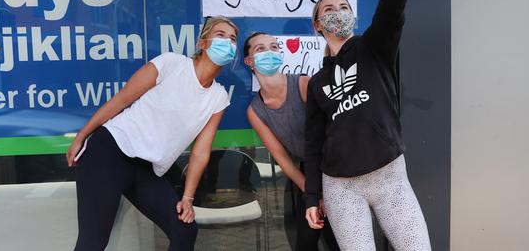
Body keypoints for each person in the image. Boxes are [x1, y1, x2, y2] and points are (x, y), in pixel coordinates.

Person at [303, 0, 432, 250]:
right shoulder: (316, 82)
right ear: (317, 25)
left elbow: (393, 6)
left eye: (343, 7)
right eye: (328, 10)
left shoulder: (374, 47)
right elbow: (313, 143)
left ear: (354, 15)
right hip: (340, 187)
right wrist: (311, 197)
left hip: (389, 177)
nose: (337, 12)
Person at [66, 16, 239, 251]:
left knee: (184, 230)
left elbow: (200, 152)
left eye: (232, 39)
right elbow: (121, 99)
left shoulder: (218, 97)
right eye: (220, 35)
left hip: (146, 170)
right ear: (202, 43)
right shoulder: (171, 64)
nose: (227, 42)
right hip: (109, 152)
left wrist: (187, 199)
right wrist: (81, 136)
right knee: (93, 242)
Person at [243, 32, 339, 251]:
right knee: (304, 239)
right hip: (307, 173)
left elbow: (329, 133)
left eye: (274, 47)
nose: (269, 52)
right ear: (249, 62)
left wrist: (325, 191)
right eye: (260, 49)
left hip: (335, 167)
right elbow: (282, 158)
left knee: (339, 239)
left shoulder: (303, 84)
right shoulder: (256, 110)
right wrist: (312, 192)